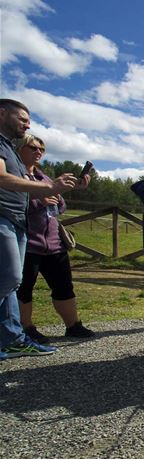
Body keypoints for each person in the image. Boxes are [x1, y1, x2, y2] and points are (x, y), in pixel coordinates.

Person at [0, 99, 77, 360]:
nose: (27, 124)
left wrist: (53, 189)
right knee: (10, 279)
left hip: (20, 223)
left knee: (11, 282)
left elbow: (57, 202)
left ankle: (12, 339)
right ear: (2, 114)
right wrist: (45, 190)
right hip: (6, 219)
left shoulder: (10, 150)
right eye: (22, 119)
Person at [15, 135, 95, 342]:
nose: (38, 152)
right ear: (19, 148)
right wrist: (39, 200)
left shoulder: (44, 178)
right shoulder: (14, 176)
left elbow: (60, 207)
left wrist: (66, 191)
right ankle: (26, 328)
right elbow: (13, 203)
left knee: (63, 285)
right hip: (27, 242)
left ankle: (73, 325)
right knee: (25, 287)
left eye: (41, 149)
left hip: (53, 243)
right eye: (32, 147)